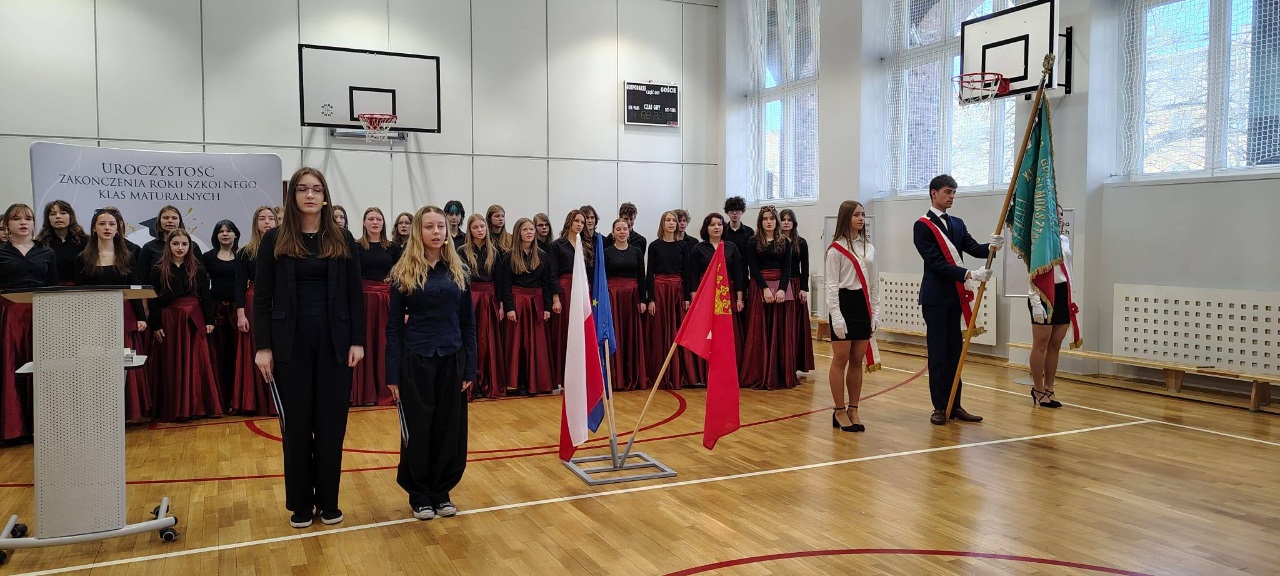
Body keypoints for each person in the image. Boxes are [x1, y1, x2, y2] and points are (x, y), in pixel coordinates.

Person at [255, 167, 365, 528]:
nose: (310, 195)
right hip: (290, 345)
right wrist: (263, 347)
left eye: (316, 189)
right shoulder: (275, 240)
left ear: (325, 197)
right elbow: (262, 297)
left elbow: (355, 294)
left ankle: (329, 502)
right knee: (297, 427)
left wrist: (358, 340)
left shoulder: (342, 238)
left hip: (335, 343)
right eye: (302, 189)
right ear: (293, 196)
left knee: (331, 427)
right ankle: (301, 504)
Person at [386, 205, 475, 521]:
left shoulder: (459, 271)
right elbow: (394, 327)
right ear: (418, 232)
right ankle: (420, 494)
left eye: (440, 226)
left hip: (452, 357)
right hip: (416, 358)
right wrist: (393, 373)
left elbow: (468, 323)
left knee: (448, 429)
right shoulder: (403, 272)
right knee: (419, 428)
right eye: (429, 227)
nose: (436, 232)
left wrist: (470, 366)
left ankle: (441, 491)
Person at [913, 174, 1003, 425]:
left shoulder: (957, 223)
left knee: (955, 352)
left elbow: (973, 248)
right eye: (947, 192)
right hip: (935, 298)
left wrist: (992, 246)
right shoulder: (922, 226)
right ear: (934, 193)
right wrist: (969, 274)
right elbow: (935, 262)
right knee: (938, 354)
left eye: (954, 192)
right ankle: (939, 406)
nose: (952, 196)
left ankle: (955, 404)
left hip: (955, 297)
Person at [75, 207, 152, 421]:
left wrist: (141, 317)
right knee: (98, 364)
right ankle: (99, 410)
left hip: (123, 316)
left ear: (118, 229)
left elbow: (134, 289)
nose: (107, 228)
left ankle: (126, 411)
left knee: (123, 363)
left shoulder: (128, 256)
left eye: (111, 224)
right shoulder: (82, 258)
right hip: (93, 318)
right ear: (94, 228)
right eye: (102, 224)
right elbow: (78, 293)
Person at [149, 228, 223, 422]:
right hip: (171, 320)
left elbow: (205, 295)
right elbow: (153, 299)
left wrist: (209, 320)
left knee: (197, 361)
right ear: (168, 246)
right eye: (175, 244)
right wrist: (155, 325)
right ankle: (176, 407)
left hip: (193, 318)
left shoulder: (197, 268)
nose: (180, 248)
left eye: (184, 244)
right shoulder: (158, 269)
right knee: (174, 361)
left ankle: (198, 406)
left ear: (190, 246)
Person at [0, 203, 57, 441]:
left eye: (28, 218)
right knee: (10, 365)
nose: (23, 223)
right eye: (17, 219)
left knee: (42, 367)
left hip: (40, 314)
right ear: (7, 224)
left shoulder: (47, 252)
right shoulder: (1, 252)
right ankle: (13, 428)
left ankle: (43, 426)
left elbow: (53, 286)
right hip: (9, 314)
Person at [824, 201, 879, 433]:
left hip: (862, 305)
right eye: (856, 215)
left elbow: (874, 282)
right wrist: (836, 315)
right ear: (845, 217)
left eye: (863, 215)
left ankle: (853, 408)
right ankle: (839, 410)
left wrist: (875, 311)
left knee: (857, 359)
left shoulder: (869, 248)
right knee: (841, 359)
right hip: (843, 303)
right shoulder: (835, 249)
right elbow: (831, 285)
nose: (861, 218)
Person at [684, 213, 746, 387]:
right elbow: (693, 275)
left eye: (719, 224)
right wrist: (694, 297)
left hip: (727, 295)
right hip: (706, 295)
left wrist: (739, 298)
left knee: (726, 332)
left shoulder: (731, 247)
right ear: (706, 228)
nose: (716, 227)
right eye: (712, 225)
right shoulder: (698, 248)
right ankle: (705, 373)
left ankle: (727, 371)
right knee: (707, 332)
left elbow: (738, 274)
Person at [740, 206, 796, 390]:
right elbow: (753, 268)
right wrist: (764, 288)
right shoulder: (753, 241)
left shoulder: (784, 242)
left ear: (776, 221)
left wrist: (782, 290)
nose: (769, 222)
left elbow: (787, 267)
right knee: (760, 329)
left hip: (780, 287)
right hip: (760, 286)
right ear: (760, 221)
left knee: (780, 329)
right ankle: (759, 372)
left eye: (772, 218)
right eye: (765, 219)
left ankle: (780, 373)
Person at [1027, 204, 1075, 409]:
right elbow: (1032, 272)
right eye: (1056, 214)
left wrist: (1072, 296)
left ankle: (1049, 387)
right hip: (1043, 293)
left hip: (1062, 292)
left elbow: (1068, 270)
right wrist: (1035, 300)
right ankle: (1037, 388)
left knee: (1056, 344)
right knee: (1041, 344)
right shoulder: (1038, 240)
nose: (1060, 217)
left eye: (1062, 214)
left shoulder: (1064, 240)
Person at [498, 218, 553, 396]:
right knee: (518, 343)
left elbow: (546, 284)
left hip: (537, 301)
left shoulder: (542, 256)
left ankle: (536, 383)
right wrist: (509, 307)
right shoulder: (509, 256)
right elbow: (505, 285)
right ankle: (517, 382)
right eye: (525, 230)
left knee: (537, 343)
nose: (529, 232)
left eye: (531, 229)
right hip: (518, 301)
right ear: (518, 233)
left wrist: (547, 307)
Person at [354, 207, 401, 406]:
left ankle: (386, 390)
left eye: (378, 219)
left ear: (383, 223)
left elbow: (400, 273)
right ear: (364, 222)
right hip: (364, 299)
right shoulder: (356, 246)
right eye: (371, 219)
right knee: (365, 341)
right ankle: (365, 392)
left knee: (384, 342)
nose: (375, 222)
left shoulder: (392, 247)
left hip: (386, 299)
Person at [232, 206, 277, 415]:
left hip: (279, 301)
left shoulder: (284, 248)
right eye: (262, 218)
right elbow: (239, 285)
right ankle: (255, 401)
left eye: (271, 218)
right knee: (257, 348)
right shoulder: (245, 252)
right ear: (255, 223)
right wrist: (241, 314)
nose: (267, 222)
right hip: (253, 303)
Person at [457, 214, 505, 399]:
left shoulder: (495, 252)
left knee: (489, 341)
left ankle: (490, 384)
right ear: (470, 230)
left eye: (482, 227)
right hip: (471, 297)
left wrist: (501, 304)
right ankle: (471, 385)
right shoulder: (462, 251)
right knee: (471, 339)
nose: (480, 230)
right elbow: (460, 279)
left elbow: (499, 281)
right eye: (475, 227)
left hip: (490, 298)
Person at [604, 218, 648, 391]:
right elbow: (602, 278)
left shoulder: (637, 251)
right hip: (612, 297)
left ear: (629, 231)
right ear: (613, 232)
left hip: (632, 298)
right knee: (615, 333)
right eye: (618, 229)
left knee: (631, 335)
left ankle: (631, 376)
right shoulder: (606, 252)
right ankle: (616, 378)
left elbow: (642, 277)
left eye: (625, 229)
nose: (622, 232)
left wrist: (642, 300)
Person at [646, 211, 688, 389]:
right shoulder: (654, 246)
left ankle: (677, 372)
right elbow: (649, 273)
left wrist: (687, 297)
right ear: (662, 224)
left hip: (677, 290)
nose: (671, 223)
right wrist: (651, 299)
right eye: (668, 220)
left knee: (677, 328)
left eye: (674, 220)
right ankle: (658, 372)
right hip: (660, 290)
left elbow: (686, 272)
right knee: (660, 329)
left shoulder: (683, 246)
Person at [547, 210, 587, 392]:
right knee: (564, 332)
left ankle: (580, 375)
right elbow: (552, 273)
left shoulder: (584, 245)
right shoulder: (557, 245)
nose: (579, 224)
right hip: (565, 290)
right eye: (576, 221)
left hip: (582, 289)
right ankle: (562, 376)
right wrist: (556, 297)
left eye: (582, 222)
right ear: (569, 222)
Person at [204, 220, 241, 404]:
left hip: (237, 310)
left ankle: (237, 397)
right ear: (216, 235)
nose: (225, 234)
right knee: (219, 352)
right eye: (221, 231)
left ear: (236, 234)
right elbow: (204, 287)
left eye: (229, 231)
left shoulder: (242, 255)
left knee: (237, 352)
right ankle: (221, 398)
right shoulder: (208, 257)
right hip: (217, 309)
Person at [779, 209, 815, 373]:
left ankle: (794, 361)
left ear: (794, 223)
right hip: (779, 284)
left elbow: (805, 267)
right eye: (783, 219)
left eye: (789, 220)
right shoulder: (775, 242)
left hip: (795, 284)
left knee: (795, 324)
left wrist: (803, 288)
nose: (786, 222)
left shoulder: (801, 242)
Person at [36, 200, 88, 285]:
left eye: (63, 213)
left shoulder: (85, 241)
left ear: (71, 216)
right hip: (51, 290)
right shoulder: (41, 243)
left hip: (80, 289)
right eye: (53, 214)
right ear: (48, 219)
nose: (58, 217)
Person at [137, 205, 195, 278]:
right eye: (166, 218)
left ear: (180, 221)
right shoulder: (149, 247)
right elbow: (141, 277)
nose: (170, 221)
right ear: (159, 221)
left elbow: (201, 277)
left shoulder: (193, 246)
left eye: (174, 218)